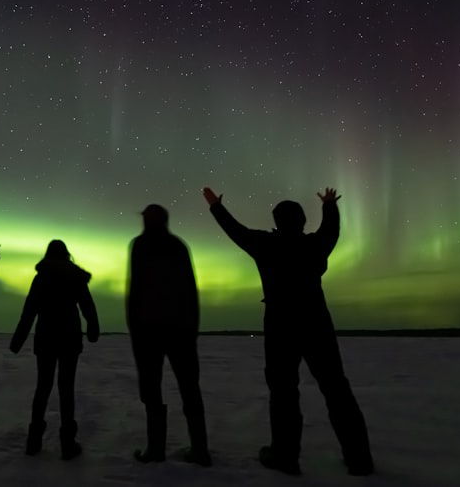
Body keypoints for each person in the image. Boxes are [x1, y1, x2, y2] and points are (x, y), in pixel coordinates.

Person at [202, 186, 374, 476]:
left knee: (283, 391)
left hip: (281, 322)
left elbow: (235, 230)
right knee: (336, 388)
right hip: (316, 319)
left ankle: (285, 456)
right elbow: (331, 231)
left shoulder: (264, 244)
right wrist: (329, 206)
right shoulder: (315, 246)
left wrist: (216, 206)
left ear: (276, 221)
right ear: (302, 221)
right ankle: (359, 459)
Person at [126, 204, 211, 467]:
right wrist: (192, 329)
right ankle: (200, 449)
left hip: (149, 330)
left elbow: (136, 289)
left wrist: (134, 327)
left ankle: (156, 449)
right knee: (189, 388)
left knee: (152, 389)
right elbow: (190, 289)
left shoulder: (140, 245)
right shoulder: (178, 245)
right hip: (181, 329)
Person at [10, 239, 100, 460]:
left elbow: (29, 310)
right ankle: (68, 444)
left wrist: (18, 340)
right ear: (66, 255)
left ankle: (34, 442)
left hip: (46, 338)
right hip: (69, 338)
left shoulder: (41, 278)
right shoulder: (75, 278)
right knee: (66, 388)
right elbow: (88, 306)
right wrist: (93, 328)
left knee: (43, 386)